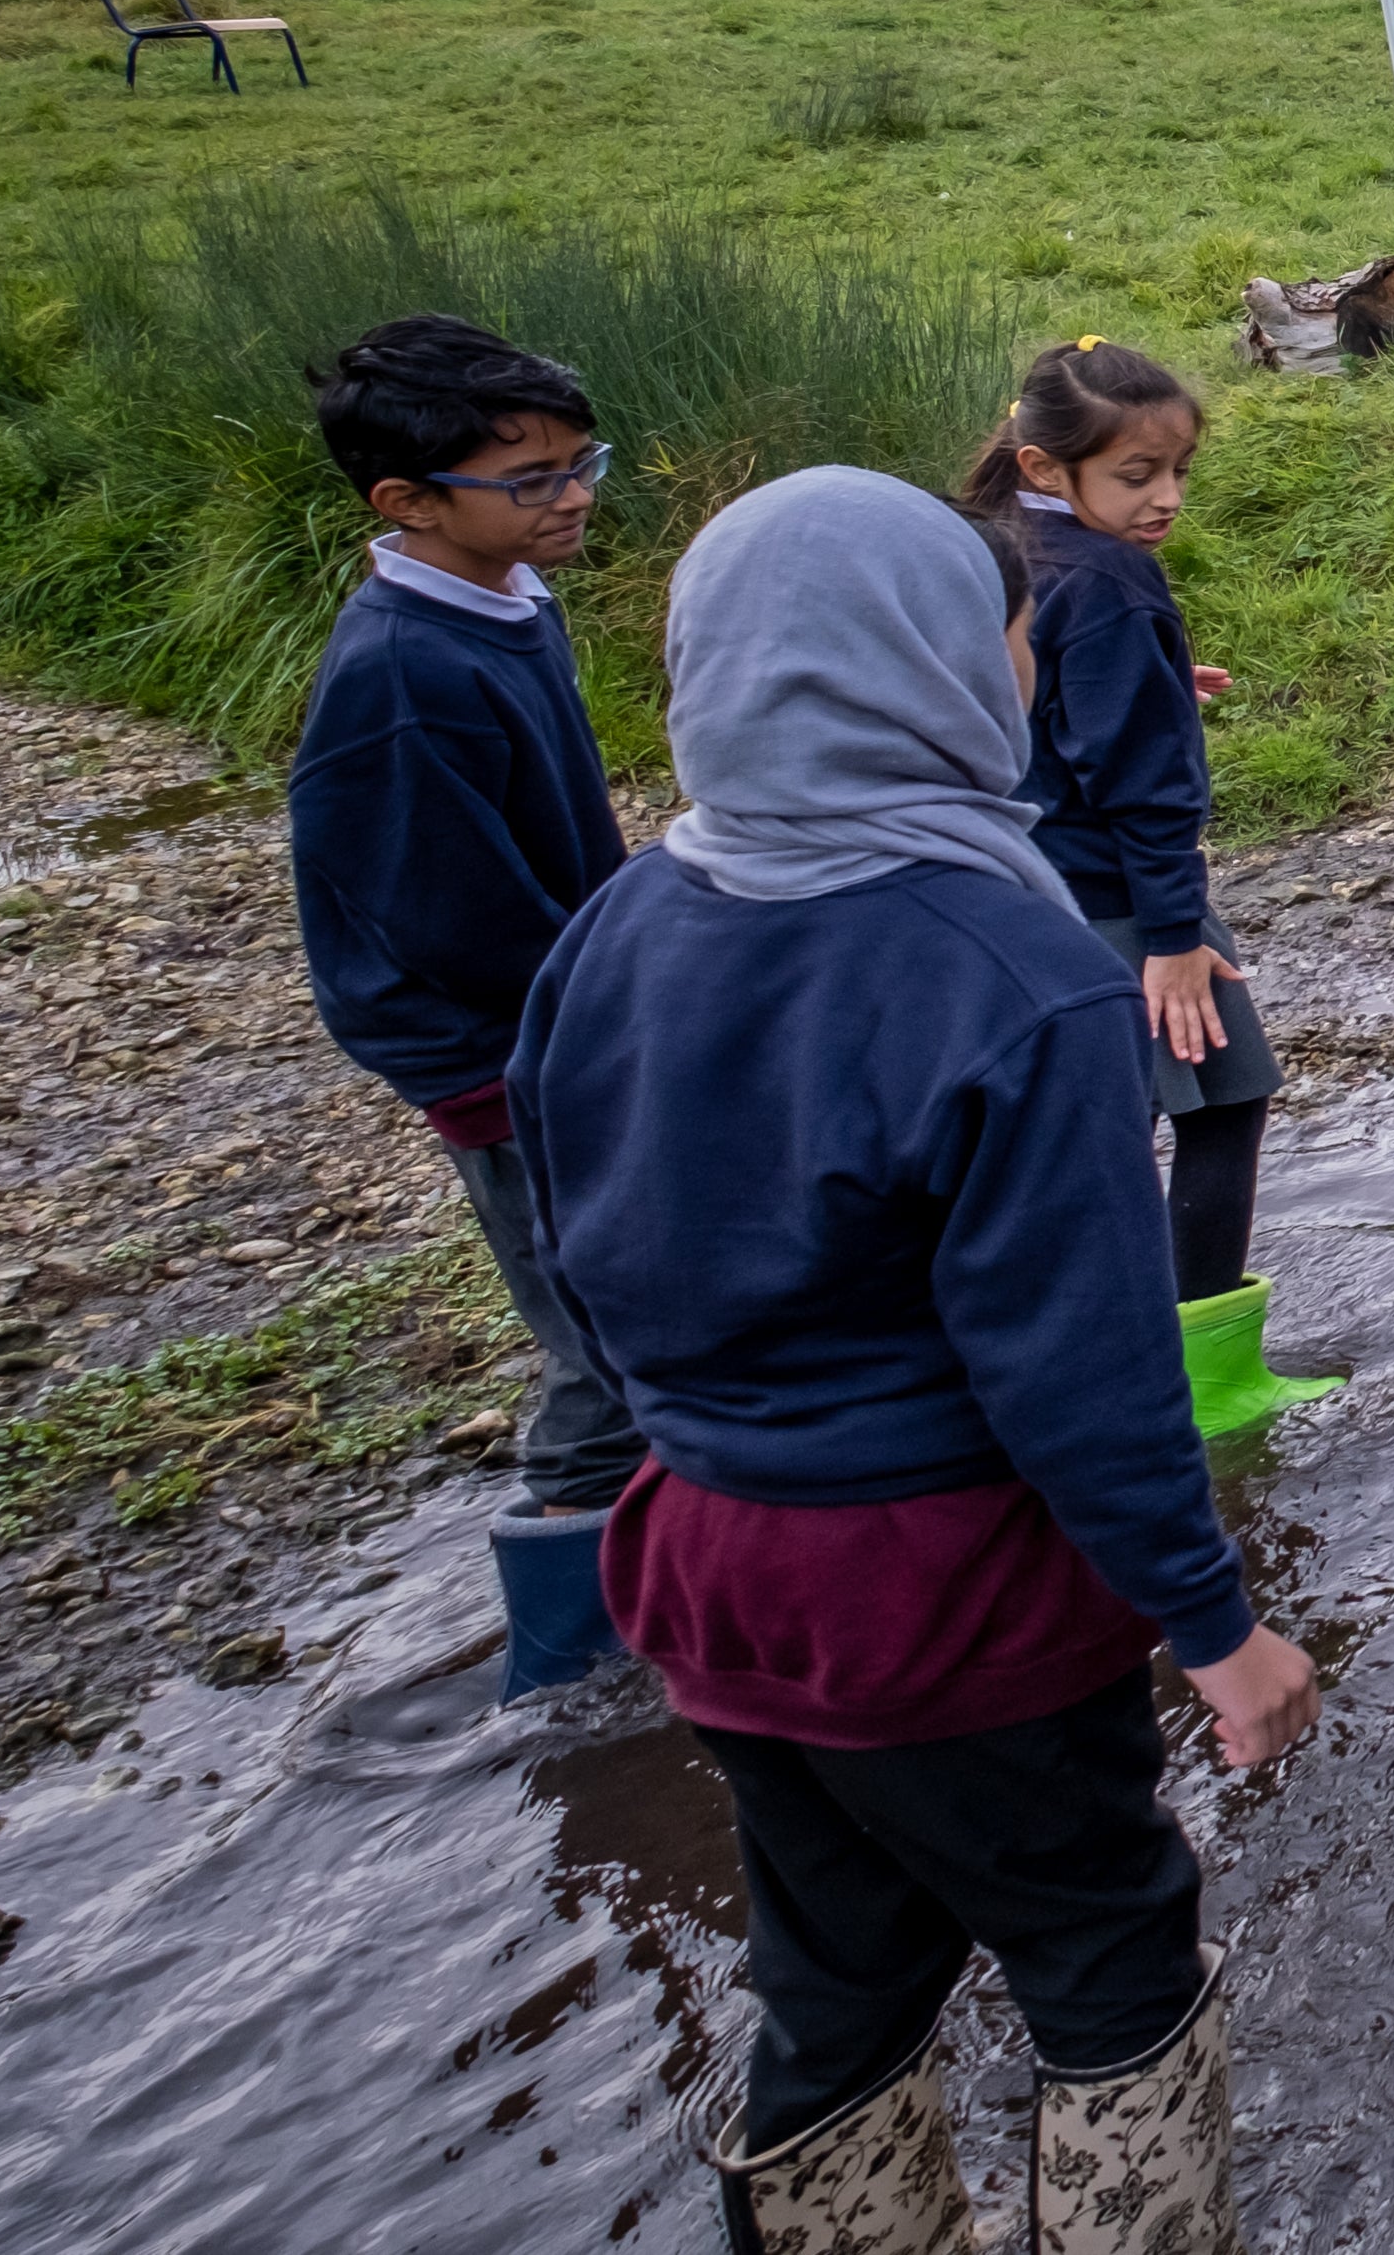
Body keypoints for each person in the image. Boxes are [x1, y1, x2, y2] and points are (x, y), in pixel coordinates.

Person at [512, 467, 1319, 2251]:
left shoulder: (615, 928)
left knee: (835, 1979)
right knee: (1112, 1968)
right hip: (948, 1586)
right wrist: (1216, 1628)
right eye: (1008, 629)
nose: (1026, 659)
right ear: (937, 663)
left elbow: (569, 1254)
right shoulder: (1008, 964)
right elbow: (1084, 1378)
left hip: (710, 1563)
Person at [284, 314, 638, 1696]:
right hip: (506, 1055)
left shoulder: (500, 603)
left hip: (569, 1014)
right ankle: (564, 1676)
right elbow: (449, 920)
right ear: (406, 502)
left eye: (577, 462)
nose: (571, 496)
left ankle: (650, 1595)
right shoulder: (398, 679)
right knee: (599, 1335)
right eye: (534, 477)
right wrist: (611, 1004)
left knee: (635, 1296)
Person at [965, 339, 1327, 1439]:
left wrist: (1160, 674)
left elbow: (1036, 710)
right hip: (1129, 901)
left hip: (1026, 892)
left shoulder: (1004, 551)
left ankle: (1062, 1367)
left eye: (1177, 471)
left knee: (1081, 1127)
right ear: (1044, 465)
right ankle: (1206, 1385)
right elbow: (1146, 785)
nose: (1165, 497)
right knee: (1223, 1104)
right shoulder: (1115, 579)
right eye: (1135, 475)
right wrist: (1174, 934)